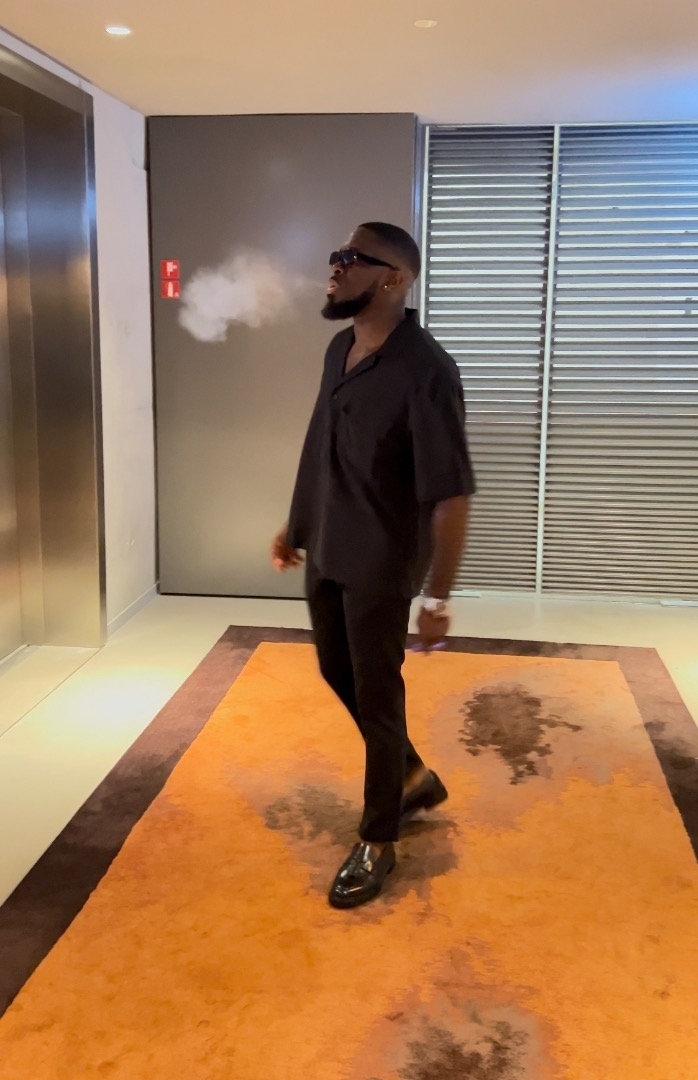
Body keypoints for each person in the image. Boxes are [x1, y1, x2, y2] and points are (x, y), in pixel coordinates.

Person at [271, 222, 475, 909]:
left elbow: (451, 494)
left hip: (383, 562)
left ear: (394, 278)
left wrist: (437, 597)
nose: (335, 267)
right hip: (330, 544)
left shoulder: (428, 371)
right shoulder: (340, 348)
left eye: (352, 259)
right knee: (337, 670)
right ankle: (411, 777)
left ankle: (378, 839)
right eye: (337, 256)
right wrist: (297, 524)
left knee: (379, 697)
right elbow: (322, 442)